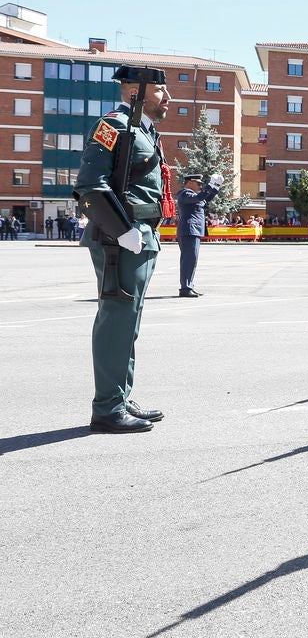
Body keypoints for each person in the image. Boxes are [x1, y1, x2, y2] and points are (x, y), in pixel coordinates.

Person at [73, 65, 174, 433]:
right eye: (160, 89)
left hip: (141, 235)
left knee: (127, 322)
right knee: (116, 321)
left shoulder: (143, 130)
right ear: (136, 88)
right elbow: (90, 186)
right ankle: (107, 407)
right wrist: (122, 230)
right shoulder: (114, 126)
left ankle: (119, 395)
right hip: (121, 240)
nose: (167, 97)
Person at [176, 171, 223, 297]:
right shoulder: (184, 193)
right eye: (198, 183)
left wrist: (215, 187)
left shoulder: (193, 195)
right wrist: (209, 185)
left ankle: (188, 286)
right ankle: (185, 288)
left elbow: (205, 200)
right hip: (189, 231)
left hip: (193, 231)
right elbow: (199, 198)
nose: (200, 186)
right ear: (189, 182)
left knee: (192, 260)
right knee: (188, 260)